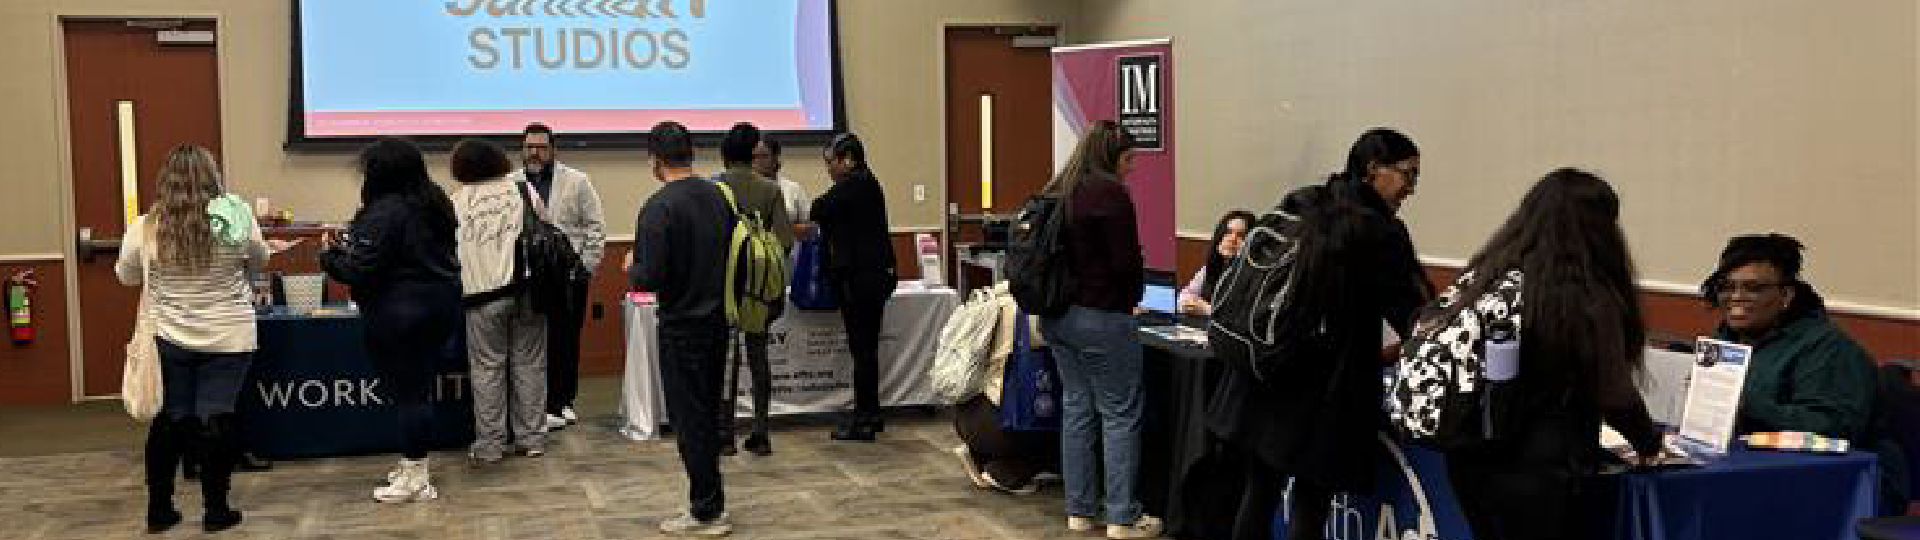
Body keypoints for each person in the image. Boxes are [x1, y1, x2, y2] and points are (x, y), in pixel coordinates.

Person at [1211, 128, 1434, 540]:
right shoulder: (1376, 231)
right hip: (1323, 393)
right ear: (1373, 170)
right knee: (1310, 507)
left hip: (1264, 377)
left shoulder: (1303, 202)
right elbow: (1412, 313)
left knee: (1258, 495)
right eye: (1408, 175)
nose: (1412, 189)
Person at [1439, 169, 1665, 540]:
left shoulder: (1487, 277)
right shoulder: (1585, 294)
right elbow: (1613, 391)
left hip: (1471, 451)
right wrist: (1648, 442)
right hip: (1543, 464)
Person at [116, 145, 278, 533]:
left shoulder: (145, 227)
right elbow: (260, 261)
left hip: (171, 337)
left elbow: (126, 276)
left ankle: (159, 509)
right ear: (213, 177)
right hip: (229, 336)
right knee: (216, 417)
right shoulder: (237, 220)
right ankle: (216, 511)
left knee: (172, 417)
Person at [1037, 121, 1162, 539]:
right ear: (1112, 157)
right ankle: (1122, 517)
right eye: (1128, 160)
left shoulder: (1061, 187)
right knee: (1120, 413)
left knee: (1076, 408)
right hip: (1102, 316)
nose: (1131, 170)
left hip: (1058, 317)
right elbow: (1125, 263)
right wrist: (1133, 296)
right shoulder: (1109, 192)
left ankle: (1079, 511)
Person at [320, 137, 462, 503]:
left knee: (410, 396)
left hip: (400, 314)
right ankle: (414, 464)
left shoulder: (385, 212)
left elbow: (358, 268)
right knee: (418, 391)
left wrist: (329, 256)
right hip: (440, 306)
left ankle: (416, 475)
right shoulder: (435, 203)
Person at [631, 121, 737, 536]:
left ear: (656, 160)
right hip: (716, 321)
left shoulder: (658, 207)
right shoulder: (719, 197)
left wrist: (630, 269)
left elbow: (650, 276)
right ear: (691, 153)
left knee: (689, 420)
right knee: (708, 415)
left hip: (680, 326)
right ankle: (711, 502)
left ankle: (706, 510)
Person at [1699, 234, 1876, 440]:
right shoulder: (1726, 337)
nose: (1736, 296)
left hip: (1817, 466)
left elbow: (1834, 426)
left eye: (1753, 288)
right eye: (1726, 287)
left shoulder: (1826, 347)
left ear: (1786, 296)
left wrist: (1747, 405)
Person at [449, 139, 548, 463]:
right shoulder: (522, 191)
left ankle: (490, 445)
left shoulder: (457, 202)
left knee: (487, 368)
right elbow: (546, 227)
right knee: (530, 364)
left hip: (482, 297)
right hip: (528, 291)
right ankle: (531, 438)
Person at [516, 123, 607, 432]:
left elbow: (595, 228)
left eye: (541, 147)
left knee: (566, 340)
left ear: (553, 149)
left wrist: (585, 269)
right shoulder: (511, 183)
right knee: (531, 342)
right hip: (529, 278)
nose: (534, 153)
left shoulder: (577, 182)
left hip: (569, 276)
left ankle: (563, 400)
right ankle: (536, 404)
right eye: (529, 146)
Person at [809, 133, 898, 442]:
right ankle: (870, 413)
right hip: (873, 276)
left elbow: (818, 208)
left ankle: (864, 419)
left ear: (848, 160)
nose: (828, 170)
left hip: (862, 280)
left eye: (830, 163)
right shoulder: (867, 183)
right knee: (866, 350)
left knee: (862, 350)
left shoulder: (854, 185)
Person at [714, 123, 793, 457]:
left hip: (724, 286)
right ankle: (761, 431)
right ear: (752, 154)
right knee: (758, 357)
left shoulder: (714, 188)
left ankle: (725, 434)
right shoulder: (770, 190)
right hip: (759, 288)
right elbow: (786, 241)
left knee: (726, 360)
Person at [952, 284, 1059, 494]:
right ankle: (1006, 472)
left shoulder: (992, 298)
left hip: (967, 412)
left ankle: (978, 454)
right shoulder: (1036, 310)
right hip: (1005, 420)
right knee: (1072, 420)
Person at [1177, 210, 1255, 316]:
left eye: (1241, 235)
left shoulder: (1254, 275)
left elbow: (1245, 316)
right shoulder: (1210, 267)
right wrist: (1186, 303)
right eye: (1228, 232)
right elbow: (1186, 294)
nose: (1232, 239)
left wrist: (1207, 309)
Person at [752, 136, 815, 239]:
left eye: (763, 156)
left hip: (791, 251)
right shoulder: (746, 190)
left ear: (775, 158)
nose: (758, 161)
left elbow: (811, 226)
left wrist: (788, 229)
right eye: (754, 157)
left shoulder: (793, 189)